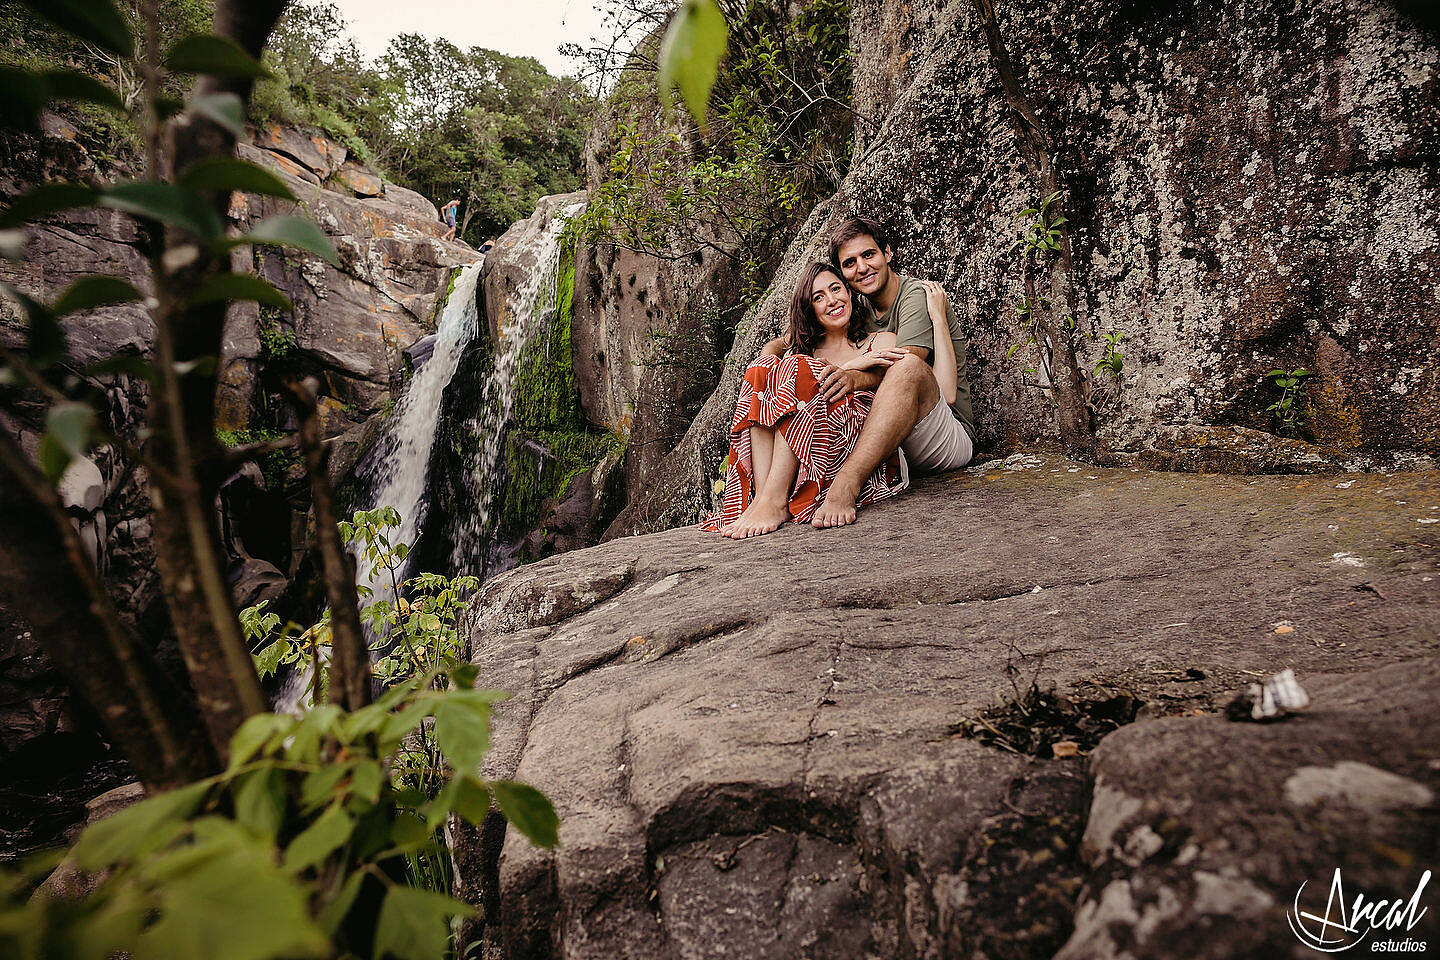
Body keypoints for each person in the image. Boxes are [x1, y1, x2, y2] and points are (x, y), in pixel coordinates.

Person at [702, 263, 918, 538]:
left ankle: (774, 499)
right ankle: (762, 497)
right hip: (813, 446)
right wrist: (854, 362)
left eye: (836, 289)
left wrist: (854, 364)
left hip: (854, 441)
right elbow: (770, 357)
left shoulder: (882, 341)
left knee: (800, 367)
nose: (832, 301)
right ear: (810, 309)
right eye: (818, 297)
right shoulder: (804, 353)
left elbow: (892, 381)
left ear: (850, 293)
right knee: (761, 367)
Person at [797, 215, 976, 528]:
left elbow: (905, 367)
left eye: (869, 255)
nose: (862, 267)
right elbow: (794, 336)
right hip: (893, 441)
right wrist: (771, 354)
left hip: (943, 437)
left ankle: (847, 484)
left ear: (887, 253)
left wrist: (853, 371)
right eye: (850, 263)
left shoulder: (915, 297)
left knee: (906, 368)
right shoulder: (855, 309)